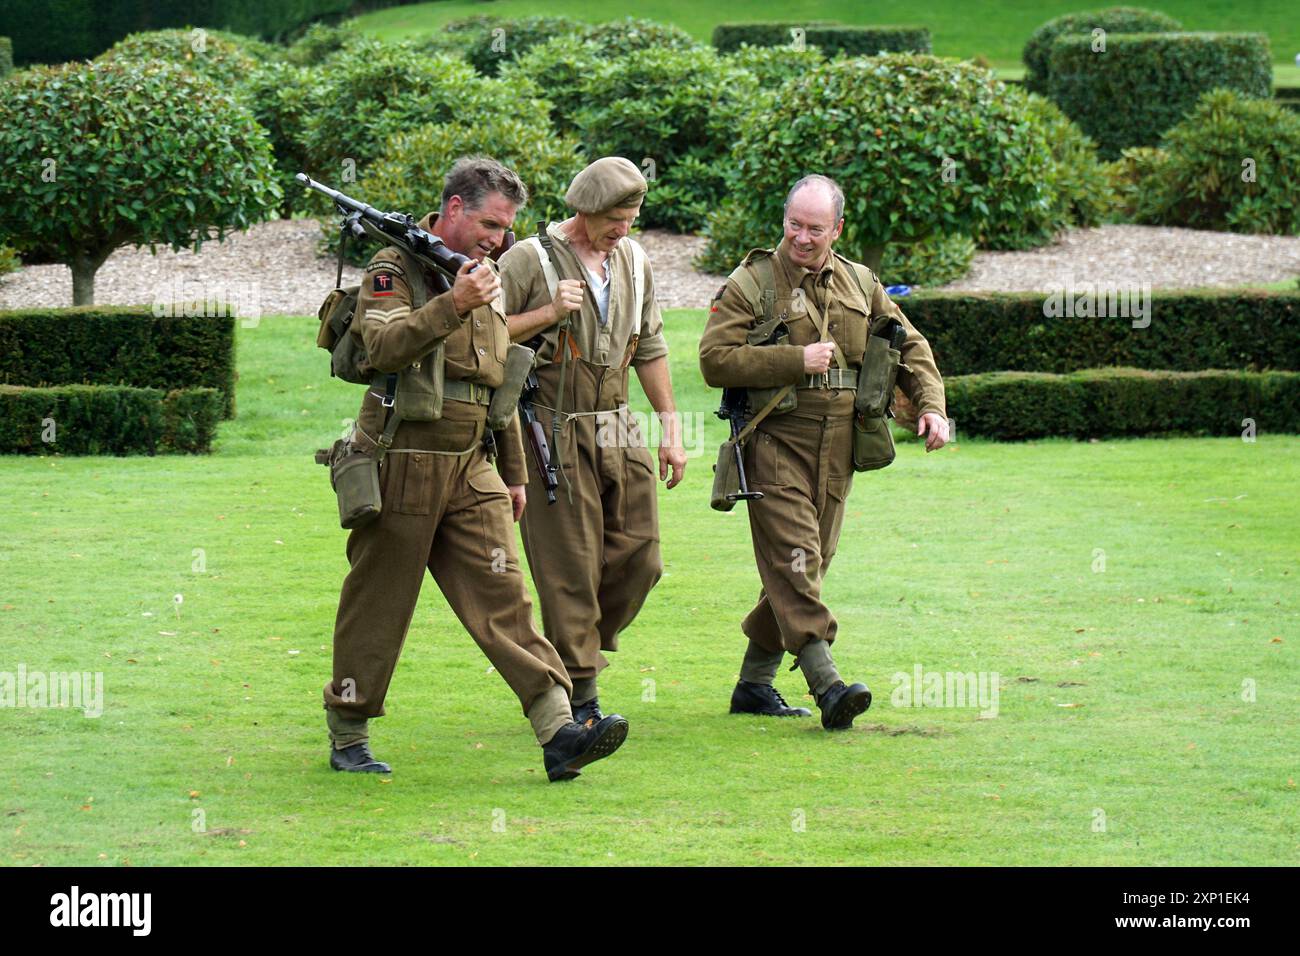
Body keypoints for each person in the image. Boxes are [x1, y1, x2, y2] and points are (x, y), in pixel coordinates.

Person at [322, 156, 628, 781]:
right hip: (403, 458)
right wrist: (453, 305)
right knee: (379, 602)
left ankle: (558, 729)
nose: (498, 239)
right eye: (490, 223)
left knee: (506, 599)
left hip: (474, 467)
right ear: (454, 209)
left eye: (507, 228)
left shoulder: (481, 275)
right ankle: (348, 731)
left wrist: (513, 472)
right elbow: (380, 346)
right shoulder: (396, 267)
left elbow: (499, 381)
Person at [699, 174, 949, 730]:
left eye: (815, 228)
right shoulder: (752, 281)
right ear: (783, 219)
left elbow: (908, 344)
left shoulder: (861, 282)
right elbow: (714, 359)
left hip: (841, 448)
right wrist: (794, 360)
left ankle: (754, 686)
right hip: (773, 441)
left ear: (837, 228)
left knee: (809, 566)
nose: (803, 238)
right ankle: (827, 683)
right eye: (794, 224)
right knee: (796, 561)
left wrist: (931, 404)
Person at [498, 156, 686, 726]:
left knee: (642, 556)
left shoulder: (633, 260)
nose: (624, 230)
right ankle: (581, 697)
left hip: (617, 420)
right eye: (615, 219)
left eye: (632, 218)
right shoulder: (527, 260)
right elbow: (481, 335)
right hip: (551, 424)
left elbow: (649, 344)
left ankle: (574, 646)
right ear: (584, 211)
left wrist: (670, 427)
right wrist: (549, 312)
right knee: (569, 567)